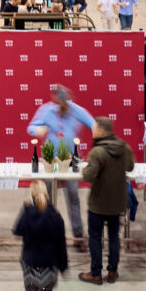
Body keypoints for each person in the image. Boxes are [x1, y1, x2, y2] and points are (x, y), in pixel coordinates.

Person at [27, 85, 95, 240]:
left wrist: (98, 133)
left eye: (64, 106)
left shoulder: (74, 109)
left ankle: (78, 235)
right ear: (55, 100)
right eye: (59, 107)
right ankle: (45, 232)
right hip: (51, 163)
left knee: (73, 198)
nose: (62, 110)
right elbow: (31, 127)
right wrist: (38, 130)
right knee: (47, 198)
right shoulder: (46, 110)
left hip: (70, 162)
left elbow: (92, 122)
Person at [78, 116, 133, 286]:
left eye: (94, 128)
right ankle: (112, 272)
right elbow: (130, 167)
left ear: (101, 130)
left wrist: (86, 167)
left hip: (98, 204)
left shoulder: (97, 151)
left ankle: (96, 274)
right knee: (114, 237)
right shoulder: (124, 147)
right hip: (116, 203)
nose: (92, 131)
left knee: (95, 237)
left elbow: (88, 176)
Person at [13, 181, 68, 291]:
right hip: (50, 266)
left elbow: (17, 231)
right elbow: (61, 245)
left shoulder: (27, 213)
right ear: (47, 194)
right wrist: (63, 266)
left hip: (30, 265)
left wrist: (25, 207)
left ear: (32, 195)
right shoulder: (56, 216)